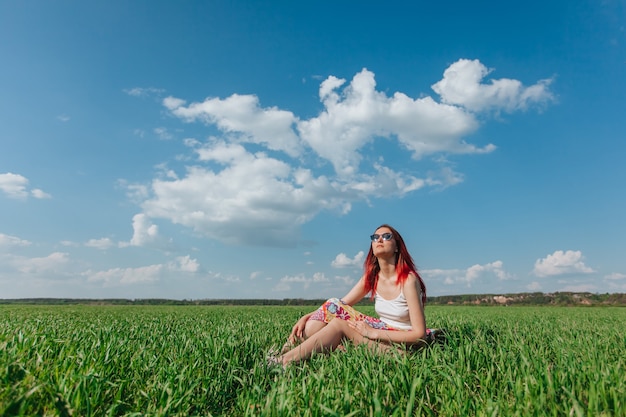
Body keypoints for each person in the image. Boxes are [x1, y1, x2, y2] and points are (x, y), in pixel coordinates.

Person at [269, 224, 431, 368]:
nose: (379, 239)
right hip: (381, 334)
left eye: (386, 236)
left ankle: (283, 361)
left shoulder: (408, 280)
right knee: (326, 311)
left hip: (403, 348)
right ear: (372, 247)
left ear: (397, 247)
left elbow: (419, 335)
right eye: (375, 237)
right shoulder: (372, 276)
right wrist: (307, 316)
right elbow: (339, 305)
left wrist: (372, 333)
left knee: (340, 325)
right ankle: (290, 349)